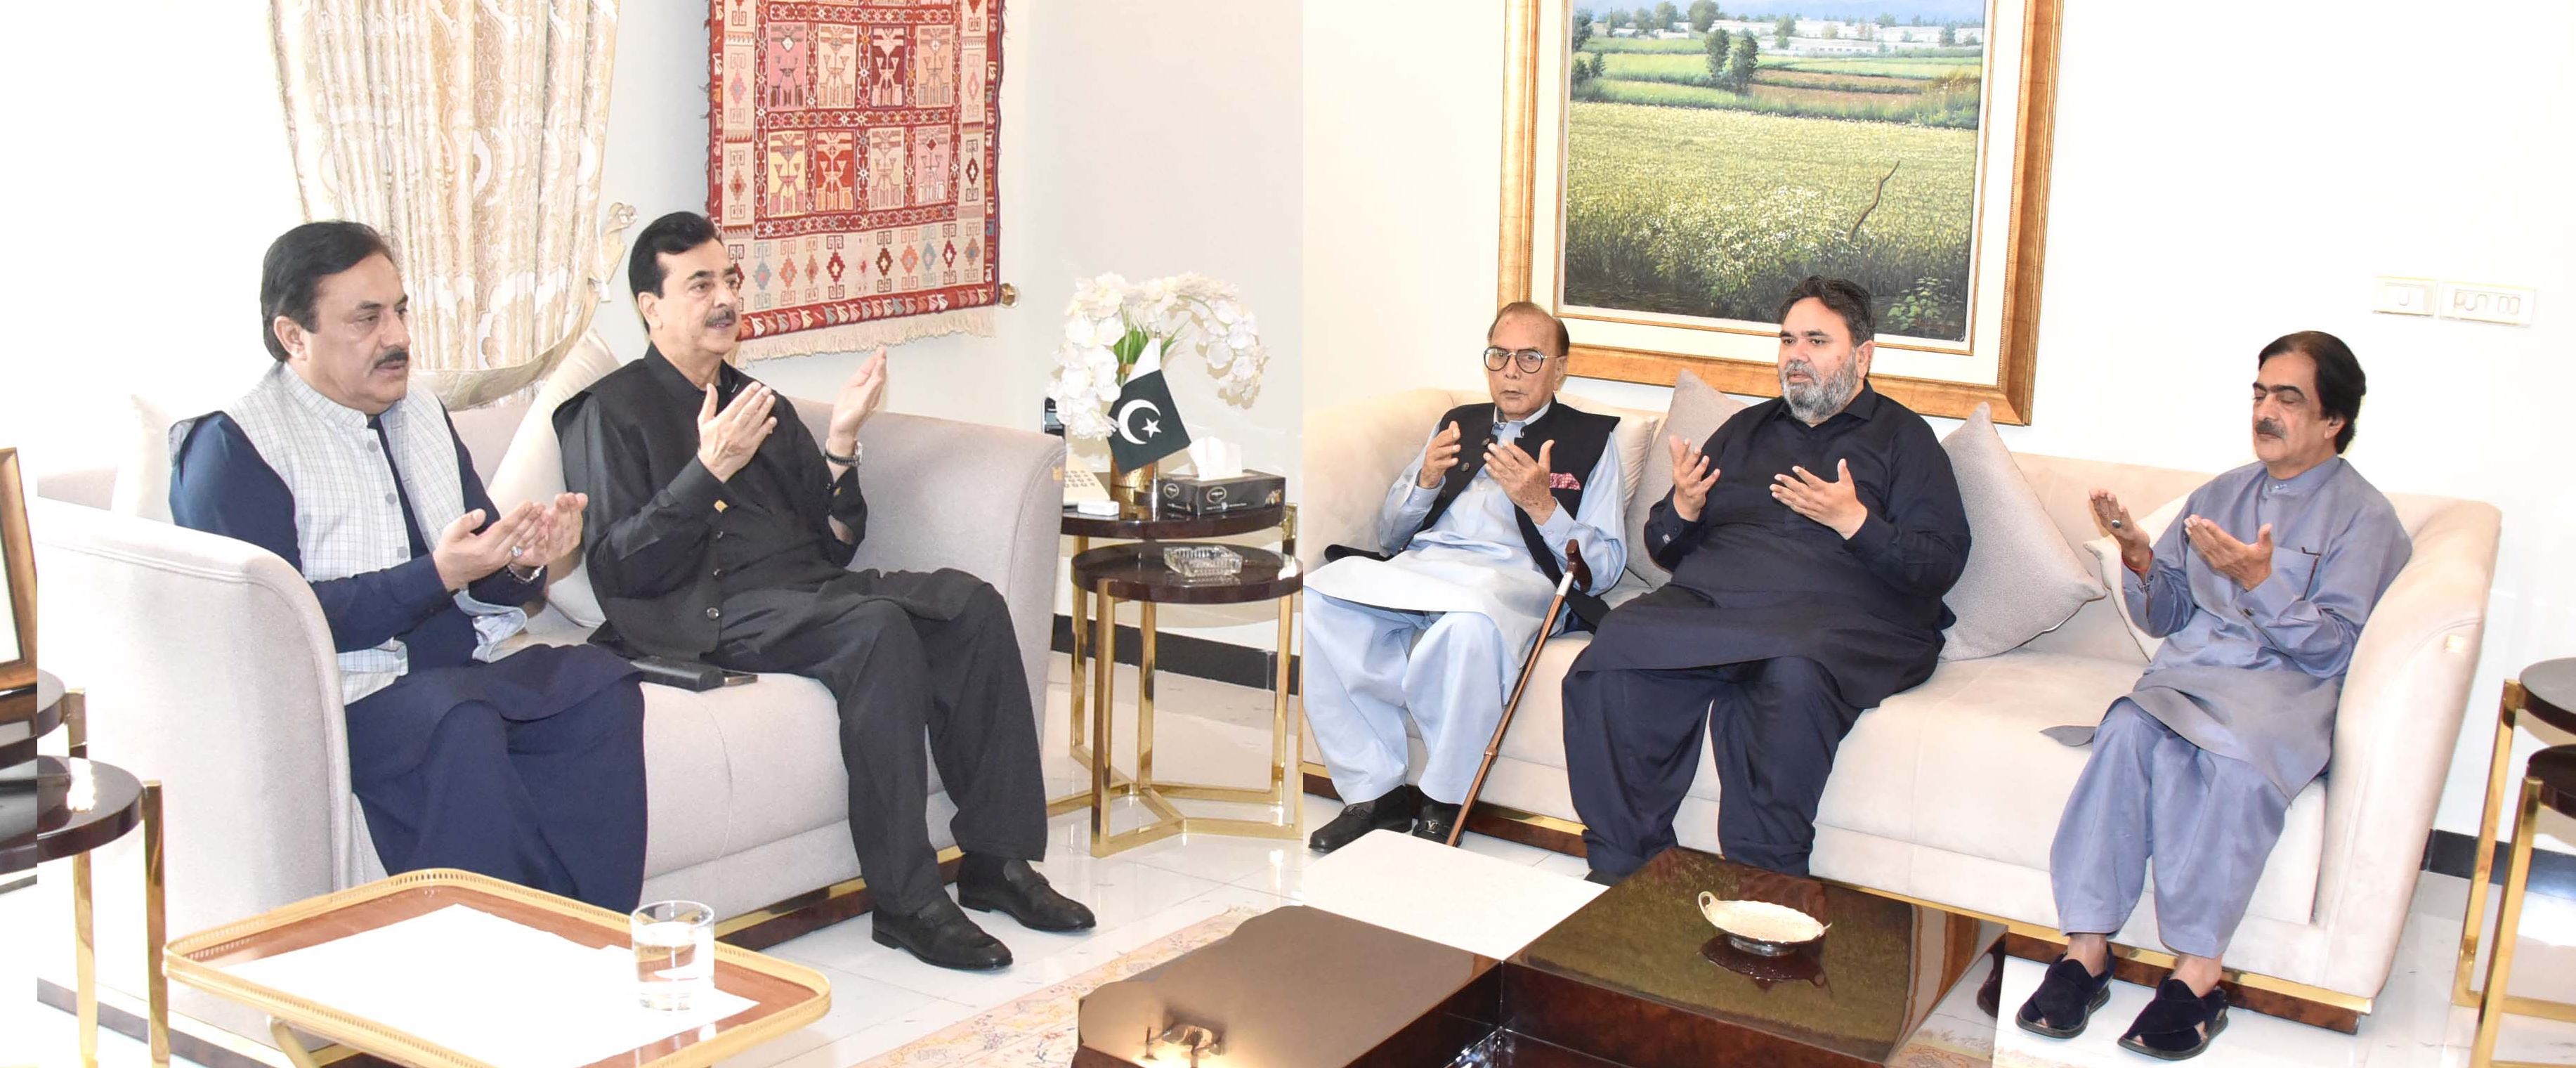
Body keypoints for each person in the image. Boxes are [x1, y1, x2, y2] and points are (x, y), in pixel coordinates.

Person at [554, 211, 1092, 972]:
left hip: (805, 592)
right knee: (876, 630)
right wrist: (707, 470)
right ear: (651, 306)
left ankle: (995, 860)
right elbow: (617, 568)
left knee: (970, 605)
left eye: (728, 279)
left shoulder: (757, 399)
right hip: (705, 611)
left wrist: (840, 441)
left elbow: (835, 541)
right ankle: (906, 902)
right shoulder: (607, 413)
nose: (724, 298)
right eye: (699, 284)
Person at [171, 221, 648, 911]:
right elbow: (270, 627)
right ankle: (501, 939)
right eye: (366, 319)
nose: (396, 336)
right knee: (458, 720)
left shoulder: (419, 409)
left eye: (399, 310)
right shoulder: (234, 445)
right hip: (341, 704)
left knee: (598, 683)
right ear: (293, 335)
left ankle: (592, 928)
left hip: (456, 676)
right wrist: (437, 575)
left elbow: (480, 559)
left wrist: (526, 559)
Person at [2017, 331, 2408, 1060]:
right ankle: (2086, 953)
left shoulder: (2366, 519)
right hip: (2190, 677)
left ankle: (2197, 977)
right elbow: (2164, 616)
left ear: (2333, 420)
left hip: (2283, 692)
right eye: (2259, 394)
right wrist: (2139, 555)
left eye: (2287, 398)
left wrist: (2262, 582)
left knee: (2233, 764)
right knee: (2127, 729)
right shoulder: (2220, 494)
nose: (2264, 411)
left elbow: (2334, 646)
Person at [1560, 276, 1969, 882]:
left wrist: (1853, 521)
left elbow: (1938, 563)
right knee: (1613, 649)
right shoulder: (1743, 429)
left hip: (1837, 619)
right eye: (1786, 340)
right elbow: (1663, 545)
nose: (1795, 355)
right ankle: (1627, 870)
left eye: (1816, 341)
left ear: (1861, 356)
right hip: (1716, 605)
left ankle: (1764, 885)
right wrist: (1684, 509)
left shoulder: (1904, 440)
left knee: (1792, 673)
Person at [1302, 302, 1628, 852]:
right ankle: (1374, 794)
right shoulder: (1458, 423)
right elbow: (1390, 535)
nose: (1511, 371)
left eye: (1530, 358)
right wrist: (1425, 480)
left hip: (1513, 581)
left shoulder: (1594, 439)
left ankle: (1443, 801)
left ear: (1559, 370)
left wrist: (1542, 505)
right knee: (1317, 602)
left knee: (1466, 629)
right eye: (1499, 356)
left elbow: (1605, 567)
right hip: (1427, 566)